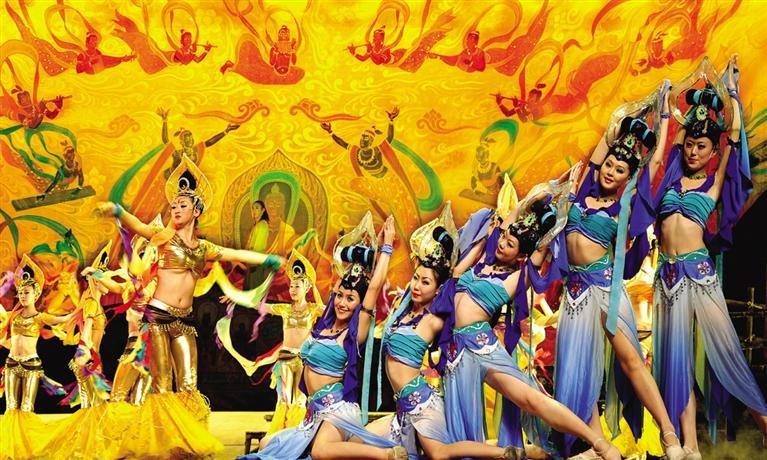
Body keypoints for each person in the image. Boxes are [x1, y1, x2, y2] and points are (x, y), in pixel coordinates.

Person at [95, 154, 283, 457]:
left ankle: (183, 445)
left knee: (188, 384)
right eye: (173, 206)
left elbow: (235, 253)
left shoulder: (203, 248)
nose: (176, 209)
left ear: (196, 211)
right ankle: (161, 447)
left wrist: (268, 259)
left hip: (184, 320)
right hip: (157, 317)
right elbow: (138, 226)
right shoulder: (164, 238)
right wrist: (117, 210)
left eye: (182, 205)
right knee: (163, 384)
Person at [554, 89, 684, 459]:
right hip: (574, 293)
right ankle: (599, 445)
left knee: (631, 362)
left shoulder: (624, 205)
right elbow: (603, 145)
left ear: (629, 176)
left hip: (604, 290)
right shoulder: (583, 190)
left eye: (620, 170)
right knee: (575, 370)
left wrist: (661, 116)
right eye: (609, 165)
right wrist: (627, 114)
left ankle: (670, 435)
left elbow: (653, 162)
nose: (611, 171)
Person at [650, 56, 766, 458]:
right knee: (675, 365)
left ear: (712, 150)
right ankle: (690, 446)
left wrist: (730, 90)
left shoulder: (714, 182)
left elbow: (732, 135)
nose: (693, 151)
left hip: (699, 275)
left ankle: (765, 425)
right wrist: (673, 104)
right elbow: (668, 144)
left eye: (701, 146)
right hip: (667, 279)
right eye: (690, 144)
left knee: (728, 355)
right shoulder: (670, 180)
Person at [244, 214, 407, 460]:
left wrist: (385, 248)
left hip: (336, 412)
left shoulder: (353, 333)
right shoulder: (323, 326)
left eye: (350, 299)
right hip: (314, 413)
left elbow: (373, 288)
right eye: (340, 295)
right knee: (267, 444)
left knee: (320, 452)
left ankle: (386, 455)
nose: (342, 302)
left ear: (359, 304)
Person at [0, 255, 70, 459]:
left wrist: (82, 311)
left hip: (31, 365)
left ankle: (26, 449)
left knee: (26, 407)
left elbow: (63, 319)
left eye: (27, 292)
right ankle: (11, 448)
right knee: (11, 407)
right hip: (11, 364)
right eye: (21, 292)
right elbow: (7, 337)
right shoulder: (13, 316)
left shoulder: (40, 317)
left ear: (36, 294)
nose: (23, 296)